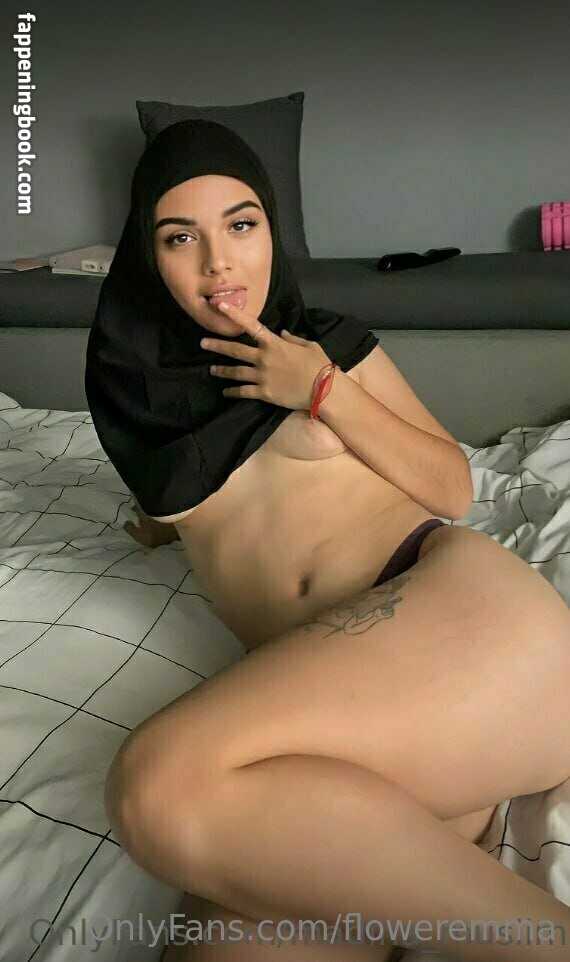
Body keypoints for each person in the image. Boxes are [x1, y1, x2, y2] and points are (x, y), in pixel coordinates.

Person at [86, 120, 570, 962]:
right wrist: (161, 525)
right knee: (220, 948)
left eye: (241, 225)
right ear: (146, 256)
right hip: (368, 717)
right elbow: (203, 499)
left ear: (271, 230)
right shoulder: (134, 397)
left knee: (157, 787)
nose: (219, 263)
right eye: (180, 238)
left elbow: (454, 486)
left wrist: (319, 390)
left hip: (464, 627)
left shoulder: (325, 343)